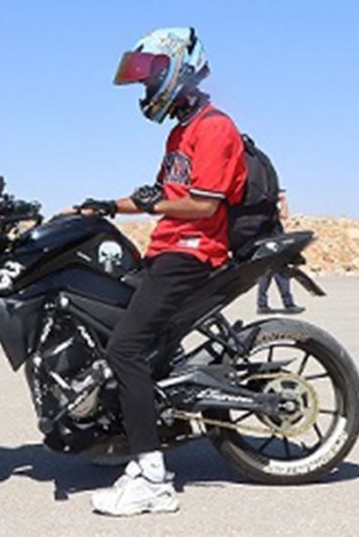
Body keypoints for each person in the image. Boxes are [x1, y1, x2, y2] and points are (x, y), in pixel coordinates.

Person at [80, 27, 247, 517]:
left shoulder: (215, 128)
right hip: (168, 249)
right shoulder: (182, 130)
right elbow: (160, 195)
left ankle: (154, 480)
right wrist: (105, 205)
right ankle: (133, 441)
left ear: (179, 68)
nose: (146, 88)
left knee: (125, 349)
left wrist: (156, 206)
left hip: (193, 252)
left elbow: (200, 205)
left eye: (151, 76)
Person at [256, 189, 302, 314]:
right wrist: (282, 201)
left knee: (277, 276)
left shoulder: (270, 210)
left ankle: (283, 304)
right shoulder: (266, 211)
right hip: (270, 246)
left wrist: (283, 201)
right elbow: (284, 215)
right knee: (269, 277)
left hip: (277, 245)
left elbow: (284, 216)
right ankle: (266, 305)